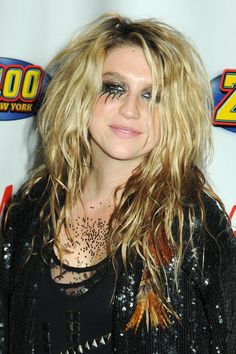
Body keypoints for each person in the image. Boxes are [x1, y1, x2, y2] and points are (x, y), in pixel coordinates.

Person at [0, 13, 235, 354]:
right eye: (114, 88)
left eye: (152, 96)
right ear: (81, 95)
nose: (131, 110)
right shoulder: (32, 206)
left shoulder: (193, 223)